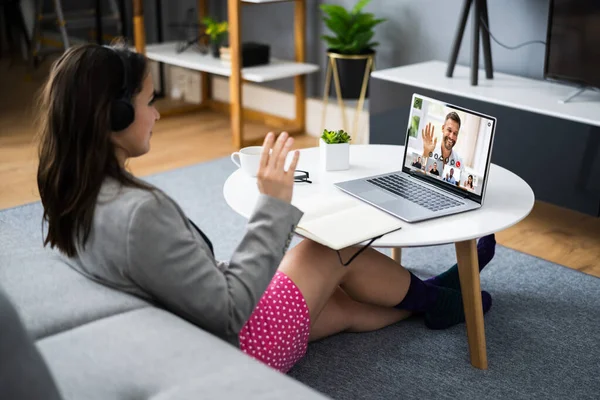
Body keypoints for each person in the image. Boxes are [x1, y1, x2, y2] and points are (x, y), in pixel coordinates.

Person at [36, 43, 496, 375]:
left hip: (200, 330)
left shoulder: (73, 192)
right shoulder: (138, 214)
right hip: (239, 343)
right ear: (113, 116)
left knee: (345, 307)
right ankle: (441, 297)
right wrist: (272, 205)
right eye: (149, 102)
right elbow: (232, 309)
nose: (156, 113)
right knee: (327, 248)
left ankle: (438, 300)